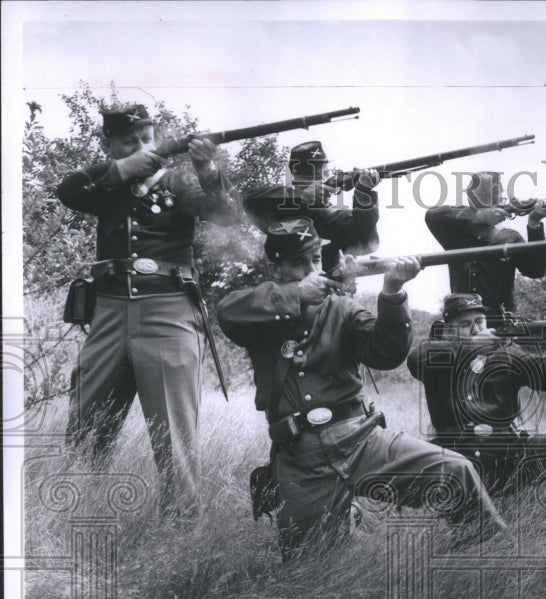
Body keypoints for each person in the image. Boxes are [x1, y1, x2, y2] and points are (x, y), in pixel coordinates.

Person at [217, 218, 507, 558]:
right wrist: (296, 295)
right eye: (299, 263)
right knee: (311, 570)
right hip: (302, 456)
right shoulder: (261, 311)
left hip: (360, 438)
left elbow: (386, 353)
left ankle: (481, 556)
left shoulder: (341, 306)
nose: (312, 269)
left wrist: (393, 292)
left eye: (315, 259)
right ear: (274, 268)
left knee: (457, 472)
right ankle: (346, 522)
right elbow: (227, 313)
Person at [56, 103, 241, 519]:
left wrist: (209, 169)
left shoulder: (179, 183)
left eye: (147, 139)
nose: (142, 147)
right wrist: (123, 169)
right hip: (106, 313)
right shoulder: (106, 186)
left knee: (175, 441)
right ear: (110, 145)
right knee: (86, 427)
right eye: (129, 142)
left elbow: (228, 216)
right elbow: (67, 190)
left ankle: (181, 537)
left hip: (168, 312)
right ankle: (73, 519)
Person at [407, 293, 546, 514]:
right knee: (476, 537)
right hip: (462, 465)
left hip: (509, 458)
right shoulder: (436, 355)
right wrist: (470, 346)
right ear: (448, 330)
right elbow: (415, 358)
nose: (476, 329)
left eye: (479, 322)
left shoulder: (505, 353)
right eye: (465, 325)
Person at [424, 171, 546, 325]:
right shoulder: (456, 235)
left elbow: (536, 270)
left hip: (499, 322)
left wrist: (534, 224)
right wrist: (478, 216)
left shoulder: (510, 237)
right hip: (462, 319)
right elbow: (432, 215)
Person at [243, 140, 380, 271]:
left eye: (326, 174)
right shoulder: (283, 205)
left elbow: (365, 242)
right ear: (297, 180)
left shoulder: (332, 215)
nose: (322, 180)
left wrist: (364, 193)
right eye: (313, 176)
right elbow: (249, 200)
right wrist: (301, 196)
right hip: (291, 289)